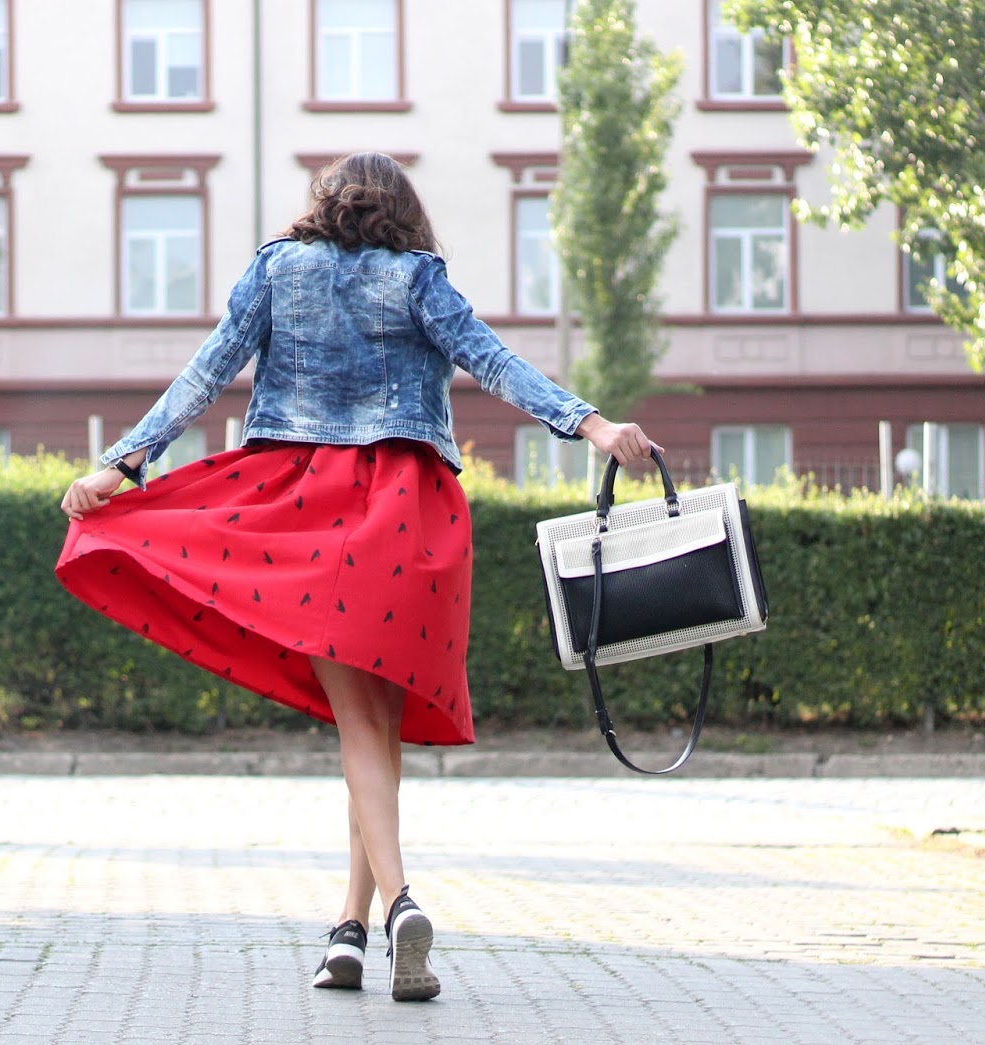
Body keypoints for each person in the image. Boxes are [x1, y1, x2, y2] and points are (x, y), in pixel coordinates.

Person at [56, 152, 655, 1003]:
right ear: (403, 210)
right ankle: (349, 928)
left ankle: (400, 898)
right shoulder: (419, 277)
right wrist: (590, 424)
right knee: (373, 728)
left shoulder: (275, 268)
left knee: (359, 730)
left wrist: (122, 464)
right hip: (410, 517)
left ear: (324, 205)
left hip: (306, 514)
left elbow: (205, 374)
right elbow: (492, 362)